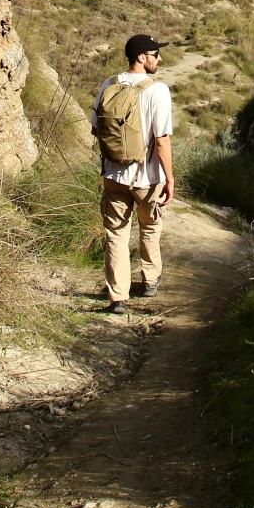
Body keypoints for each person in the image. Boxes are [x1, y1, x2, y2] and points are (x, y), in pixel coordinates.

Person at [93, 33, 174, 315]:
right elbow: (162, 140)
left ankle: (117, 297)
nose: (159, 59)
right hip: (147, 177)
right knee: (149, 227)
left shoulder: (108, 84)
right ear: (141, 57)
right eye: (155, 54)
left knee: (116, 233)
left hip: (113, 175)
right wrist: (170, 178)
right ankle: (149, 280)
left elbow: (96, 128)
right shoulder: (157, 90)